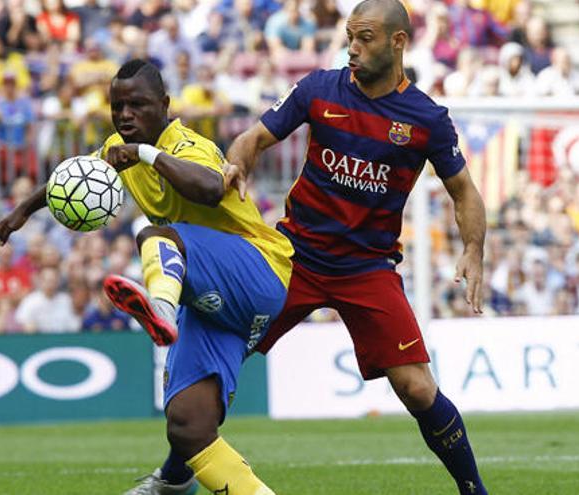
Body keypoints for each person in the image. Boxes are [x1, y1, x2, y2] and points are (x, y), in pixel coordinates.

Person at [136, 1, 490, 494]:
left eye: (365, 37)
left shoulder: (426, 119)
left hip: (367, 268)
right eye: (350, 35)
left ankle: (475, 489)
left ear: (398, 42)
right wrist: (236, 164)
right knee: (219, 356)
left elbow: (464, 191)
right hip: (294, 257)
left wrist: (473, 248)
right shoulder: (318, 89)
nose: (353, 47)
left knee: (416, 387)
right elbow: (253, 138)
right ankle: (174, 480)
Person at [0, 59, 292, 495]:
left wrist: (146, 154)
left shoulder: (187, 145)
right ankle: (180, 484)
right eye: (117, 106)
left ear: (164, 106)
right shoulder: (117, 148)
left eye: (138, 105)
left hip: (259, 272)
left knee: (156, 235)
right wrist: (18, 215)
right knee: (187, 425)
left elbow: (209, 189)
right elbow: (70, 179)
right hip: (214, 302)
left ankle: (160, 308)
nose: (125, 115)